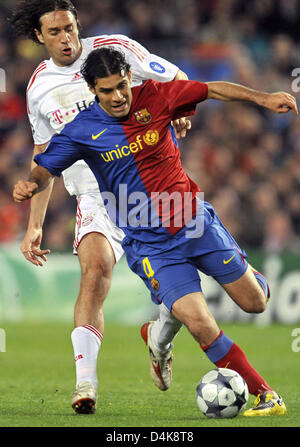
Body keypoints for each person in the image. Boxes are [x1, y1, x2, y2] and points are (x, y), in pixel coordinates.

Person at [13, 47, 298, 416]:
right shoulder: (82, 130)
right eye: (106, 91)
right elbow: (45, 166)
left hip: (194, 222)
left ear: (130, 79)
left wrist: (263, 98)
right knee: (199, 322)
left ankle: (169, 326)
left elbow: (211, 89)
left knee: (256, 302)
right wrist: (29, 185)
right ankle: (265, 395)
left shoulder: (158, 96)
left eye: (122, 86)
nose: (117, 97)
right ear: (92, 91)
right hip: (152, 246)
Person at [10, 0, 191, 414]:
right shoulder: (39, 86)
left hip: (151, 187)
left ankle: (159, 340)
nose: (66, 38)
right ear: (40, 36)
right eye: (54, 32)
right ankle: (85, 384)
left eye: (70, 28)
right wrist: (34, 224)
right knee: (94, 273)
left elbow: (175, 75)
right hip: (94, 196)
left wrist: (182, 108)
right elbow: (45, 154)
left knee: (179, 296)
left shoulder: (114, 49)